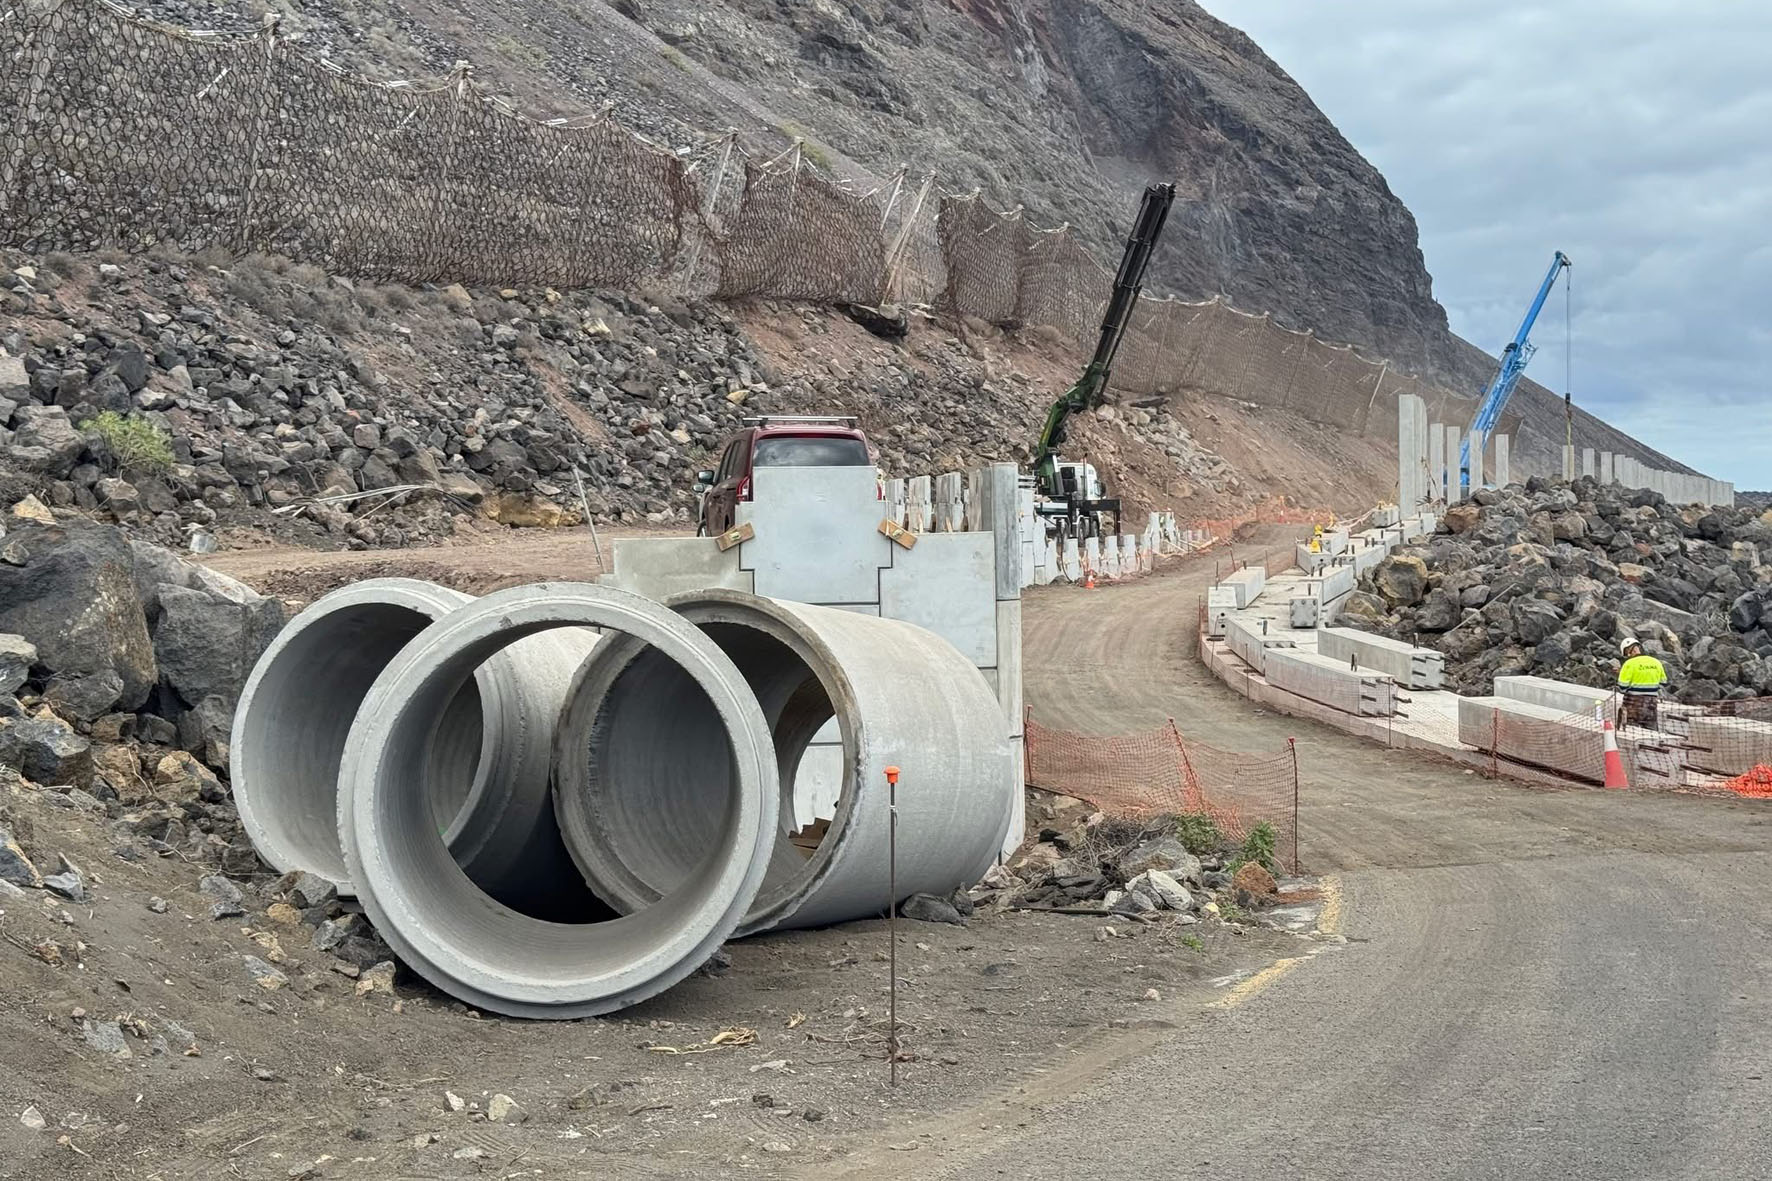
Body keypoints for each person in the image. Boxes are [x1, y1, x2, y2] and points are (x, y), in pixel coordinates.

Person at [1616, 636, 1669, 730]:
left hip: (1633, 704)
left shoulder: (1629, 664)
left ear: (1628, 651)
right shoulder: (1656, 662)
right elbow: (1664, 682)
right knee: (1651, 732)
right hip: (1651, 704)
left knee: (1631, 731)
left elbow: (1622, 687)